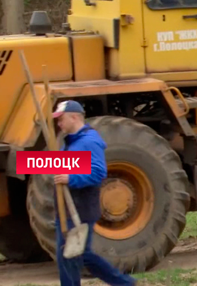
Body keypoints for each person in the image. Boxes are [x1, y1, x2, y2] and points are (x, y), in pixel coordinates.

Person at [52, 100, 137, 286]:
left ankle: (125, 283)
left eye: (61, 119)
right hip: (66, 208)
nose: (58, 124)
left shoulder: (89, 142)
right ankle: (125, 283)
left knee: (77, 255)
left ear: (74, 117)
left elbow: (98, 172)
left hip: (80, 208)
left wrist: (70, 178)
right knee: (68, 256)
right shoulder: (70, 142)